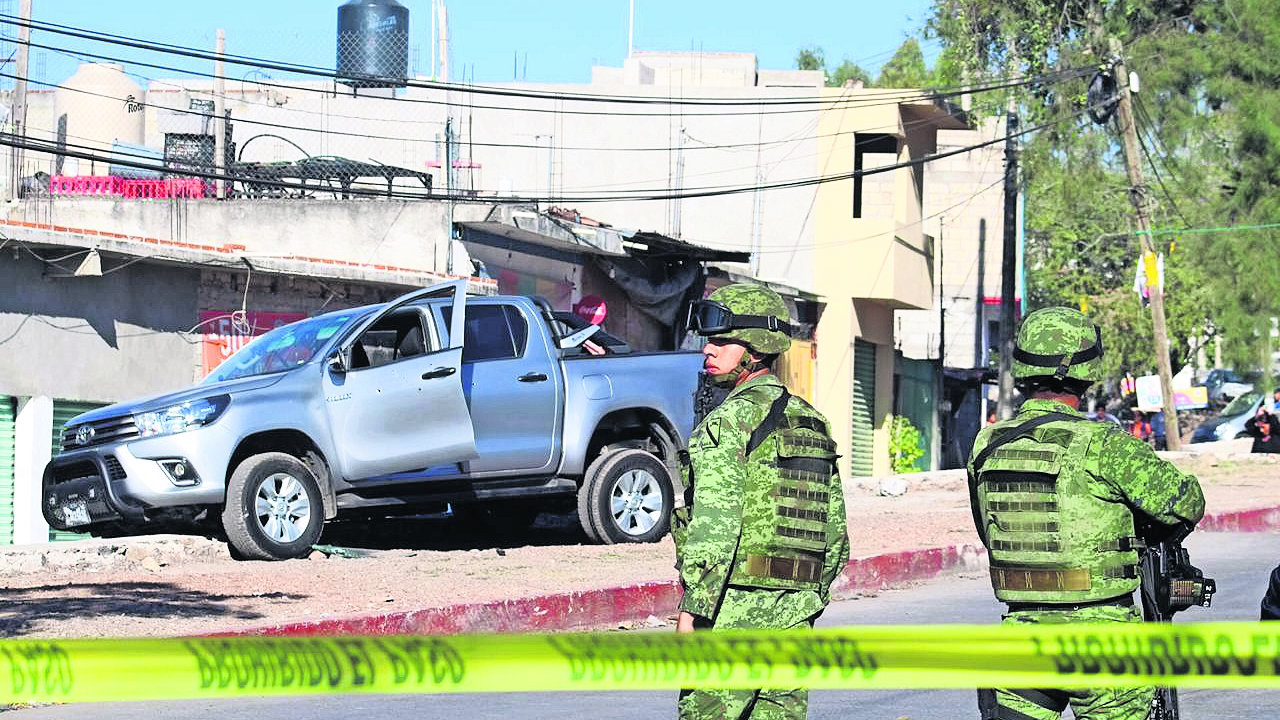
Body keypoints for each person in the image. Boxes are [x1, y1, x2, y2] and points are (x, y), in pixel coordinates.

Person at [966, 307, 1205, 720]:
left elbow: (989, 532)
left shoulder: (986, 445)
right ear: (1085, 368)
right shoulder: (1104, 443)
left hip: (1021, 635)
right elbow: (1185, 503)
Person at [672, 283, 850, 720]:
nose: (707, 351)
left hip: (730, 612)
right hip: (794, 614)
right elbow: (836, 536)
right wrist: (804, 603)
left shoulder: (728, 422)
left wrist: (695, 609)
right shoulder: (812, 421)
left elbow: (716, 526)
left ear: (754, 347)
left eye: (720, 341)